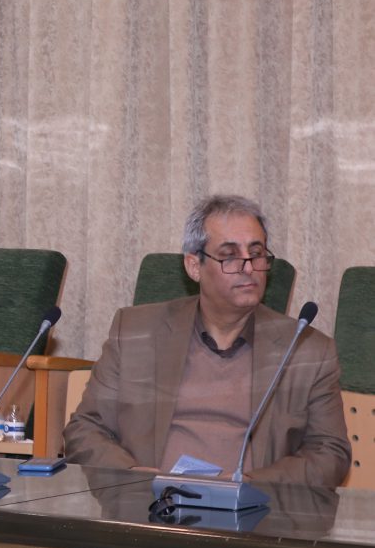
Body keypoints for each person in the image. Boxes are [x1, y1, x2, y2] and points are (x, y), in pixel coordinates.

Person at [64, 194, 349, 486]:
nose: (249, 268)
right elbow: (86, 429)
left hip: (253, 508)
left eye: (256, 253)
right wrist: (132, 477)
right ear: (194, 266)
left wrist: (251, 483)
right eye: (230, 256)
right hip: (149, 505)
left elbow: (330, 454)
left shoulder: (307, 350)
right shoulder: (137, 332)